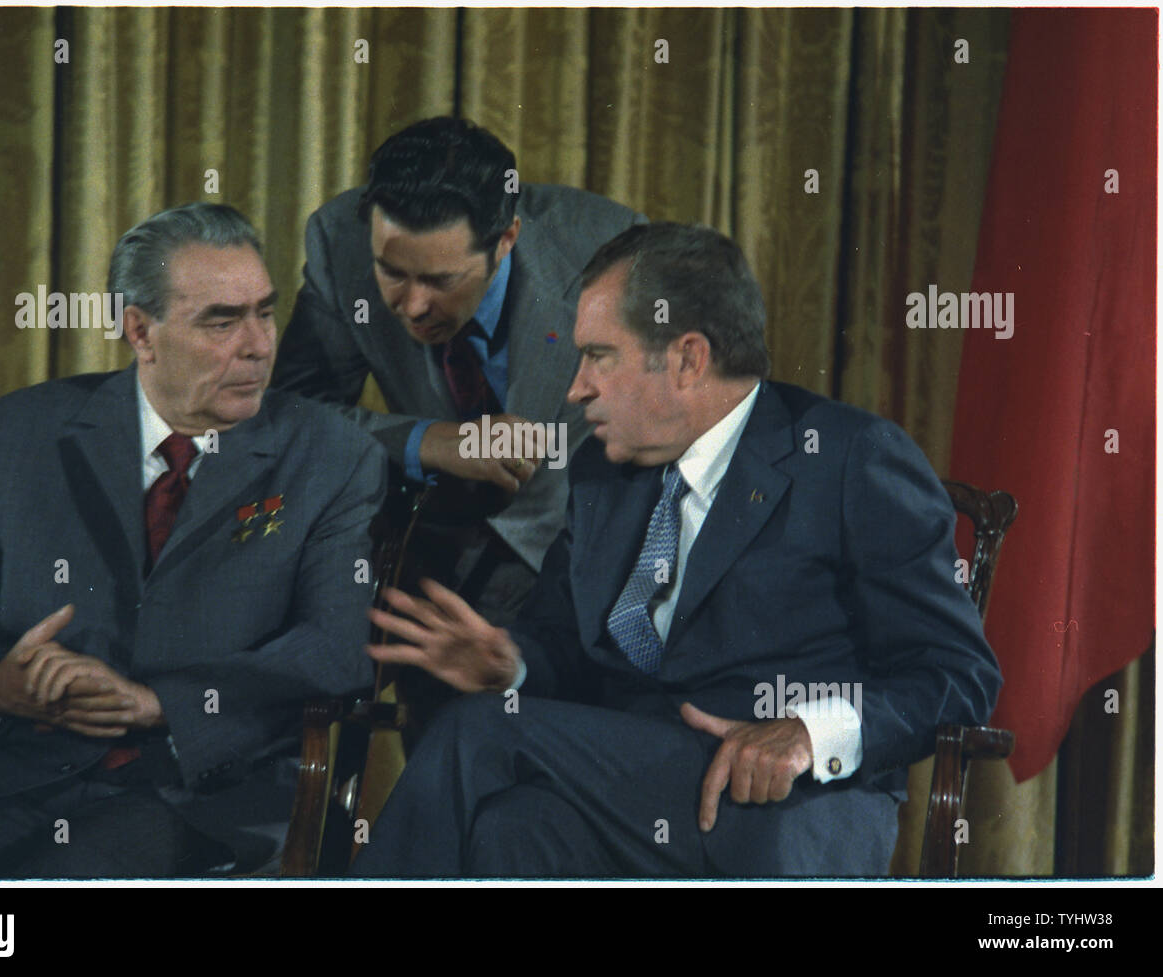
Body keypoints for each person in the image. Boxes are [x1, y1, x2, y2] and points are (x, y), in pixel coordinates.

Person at [352, 222, 1003, 878]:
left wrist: (810, 732)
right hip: (631, 788)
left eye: (599, 355)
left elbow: (957, 673)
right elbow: (562, 647)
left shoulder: (847, 457)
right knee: (513, 826)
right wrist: (511, 666)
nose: (576, 388)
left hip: (777, 801)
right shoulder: (603, 475)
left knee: (476, 733)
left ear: (688, 358)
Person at [0, 203, 387, 878]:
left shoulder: (330, 453)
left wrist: (158, 703)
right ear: (140, 329)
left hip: (198, 790)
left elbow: (335, 647)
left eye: (265, 311)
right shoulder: (17, 434)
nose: (260, 345)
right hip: (11, 772)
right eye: (222, 321)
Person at [272, 116, 642, 627]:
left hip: (580, 561)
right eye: (392, 272)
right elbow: (290, 416)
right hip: (423, 548)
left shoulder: (612, 251)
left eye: (441, 279)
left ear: (506, 238)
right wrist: (427, 441)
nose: (414, 305)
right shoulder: (339, 242)